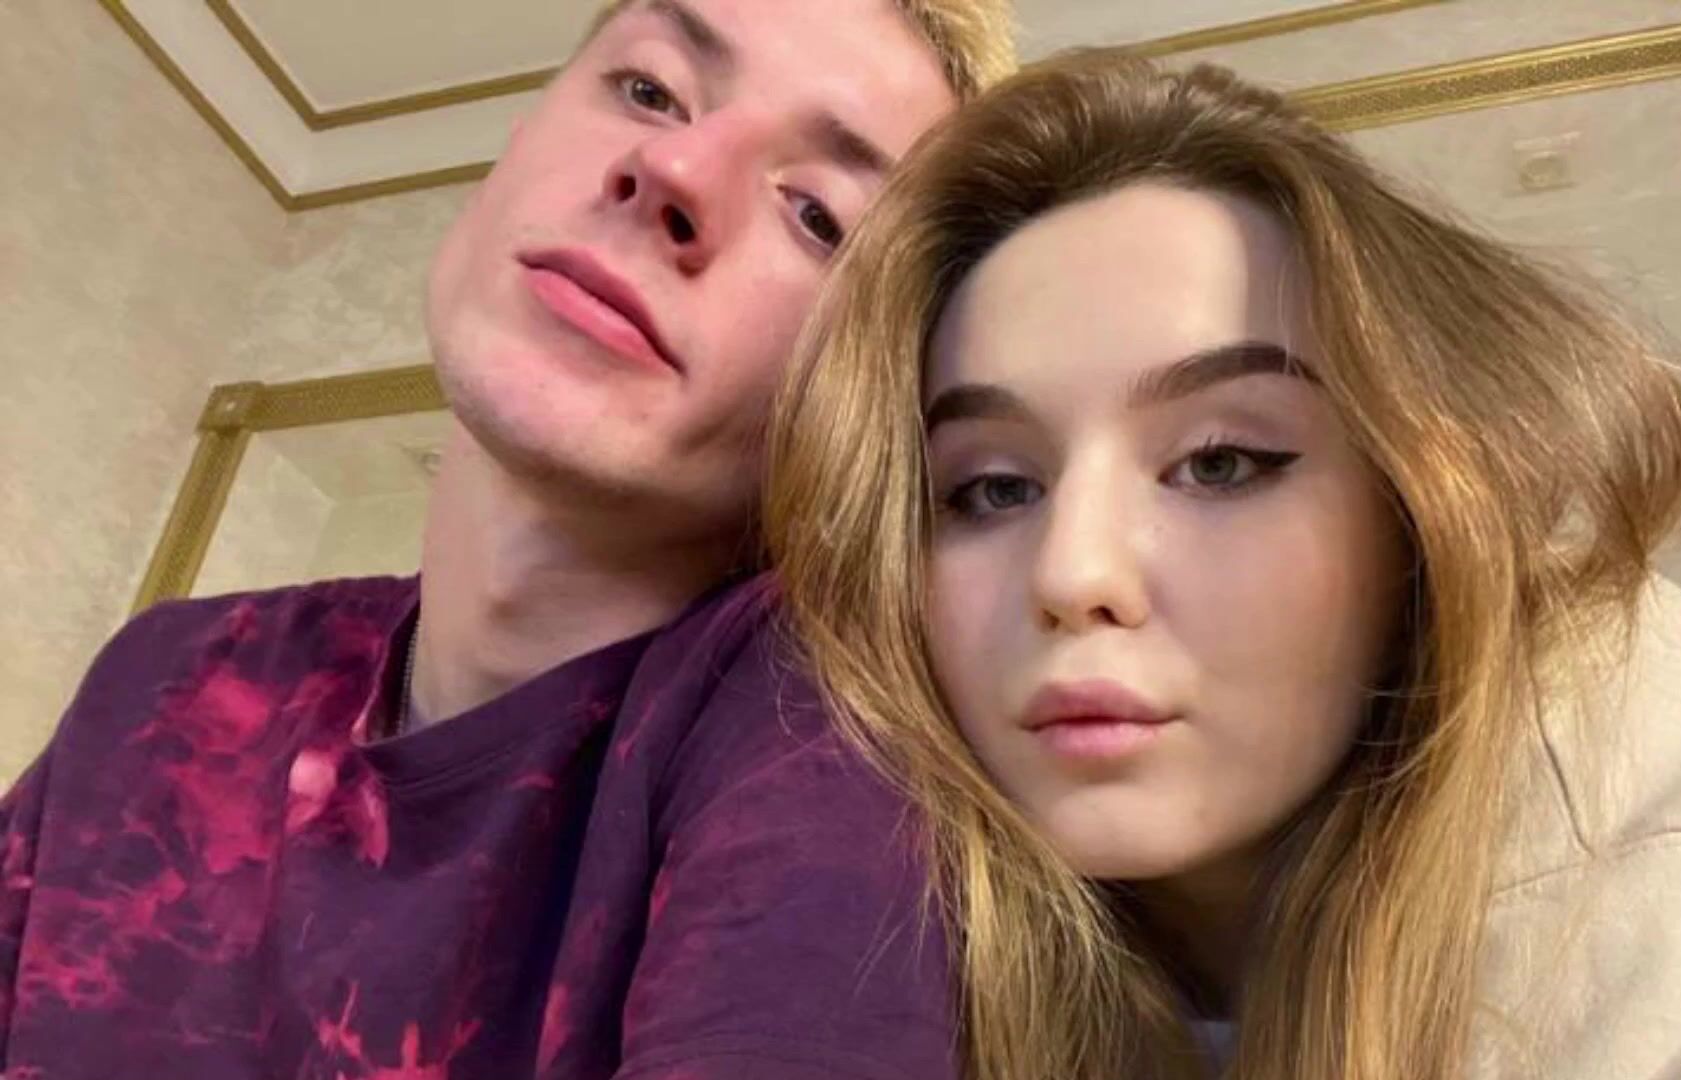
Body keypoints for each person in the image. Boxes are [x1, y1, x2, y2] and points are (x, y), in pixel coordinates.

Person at [765, 52, 1681, 1080]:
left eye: (1220, 463)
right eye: (993, 489)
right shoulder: (872, 861)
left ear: (1416, 511)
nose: (1073, 575)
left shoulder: (1654, 859)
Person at [0, 1, 1013, 1077]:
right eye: (650, 90)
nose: (671, 168)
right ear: (517, 141)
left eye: (817, 214)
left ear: (863, 396)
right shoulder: (169, 677)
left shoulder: (834, 748)